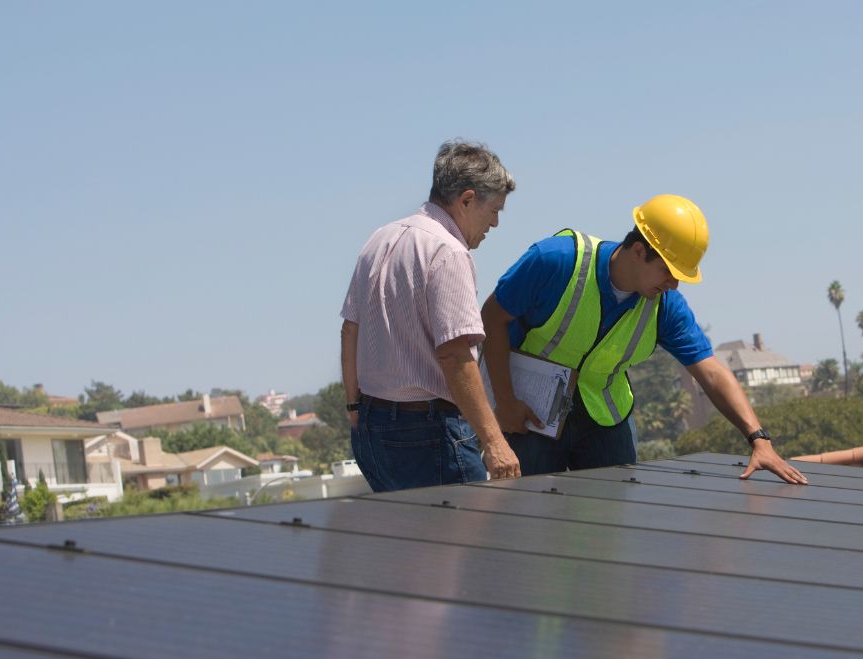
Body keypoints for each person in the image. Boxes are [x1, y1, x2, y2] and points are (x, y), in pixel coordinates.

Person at [481, 194, 808, 485]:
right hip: (531, 413)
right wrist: (506, 403)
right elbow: (492, 317)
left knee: (607, 530)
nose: (674, 285)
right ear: (639, 250)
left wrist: (759, 440)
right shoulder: (556, 261)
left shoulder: (665, 306)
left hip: (605, 420)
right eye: (669, 272)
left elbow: (711, 371)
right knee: (527, 519)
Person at [339, 140, 521, 492]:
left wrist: (353, 407)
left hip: (371, 429)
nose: (495, 223)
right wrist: (495, 443)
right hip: (428, 435)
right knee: (464, 545)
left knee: (408, 545)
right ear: (467, 199)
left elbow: (350, 330)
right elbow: (455, 355)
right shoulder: (448, 252)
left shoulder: (379, 239)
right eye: (494, 210)